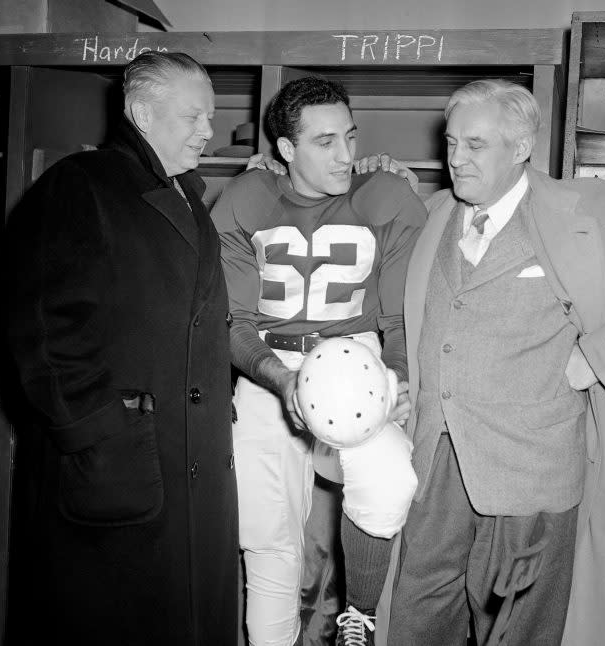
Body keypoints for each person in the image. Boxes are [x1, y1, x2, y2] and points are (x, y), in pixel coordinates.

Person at [385, 79, 605, 646]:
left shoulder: (580, 212)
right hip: (436, 468)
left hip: (532, 479)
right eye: (451, 142)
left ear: (521, 149)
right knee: (415, 621)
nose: (456, 159)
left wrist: (598, 359)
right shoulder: (434, 213)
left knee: (519, 632)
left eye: (476, 145)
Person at [4, 51, 238, 646]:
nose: (208, 130)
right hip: (115, 468)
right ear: (140, 111)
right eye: (193, 117)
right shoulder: (79, 185)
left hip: (185, 460)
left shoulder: (185, 192)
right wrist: (101, 432)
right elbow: (35, 326)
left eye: (210, 116)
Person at [209, 76, 426, 646]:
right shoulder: (246, 196)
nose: (346, 155)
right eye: (324, 142)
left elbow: (401, 315)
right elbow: (232, 319)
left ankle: (359, 614)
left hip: (357, 362)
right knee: (267, 532)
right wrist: (278, 380)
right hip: (270, 364)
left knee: (389, 482)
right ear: (286, 148)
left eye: (350, 137)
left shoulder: (386, 193)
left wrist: (398, 376)